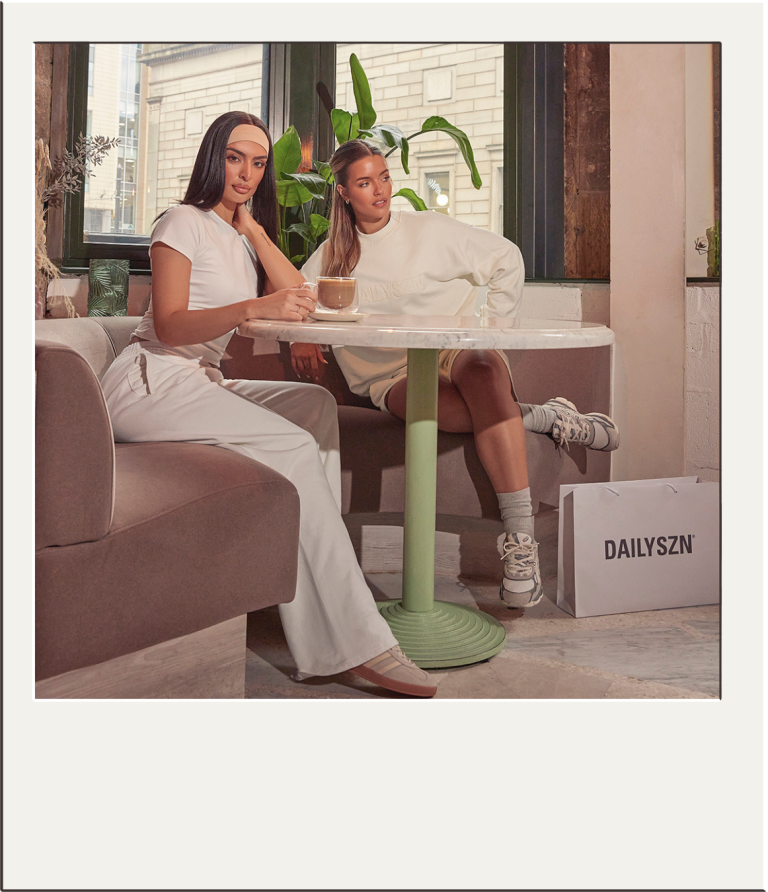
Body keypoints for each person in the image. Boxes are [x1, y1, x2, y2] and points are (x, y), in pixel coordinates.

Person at [99, 113, 437, 698]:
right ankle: (355, 643)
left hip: (197, 380)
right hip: (149, 380)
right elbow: (170, 325)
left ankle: (312, 591)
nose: (247, 173)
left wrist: (254, 229)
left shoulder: (236, 235)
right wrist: (250, 309)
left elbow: (302, 296)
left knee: (312, 407)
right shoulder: (181, 221)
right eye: (236, 158)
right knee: (292, 442)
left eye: (258, 164)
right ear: (214, 157)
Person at [293, 139, 619, 610]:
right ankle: (548, 417)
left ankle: (520, 542)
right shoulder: (330, 257)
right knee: (458, 410)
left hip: (456, 350)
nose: (380, 190)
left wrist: (493, 331)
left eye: (384, 177)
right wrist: (302, 334)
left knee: (483, 369)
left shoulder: (429, 229)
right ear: (343, 193)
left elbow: (506, 257)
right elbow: (295, 296)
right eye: (364, 183)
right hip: (390, 374)